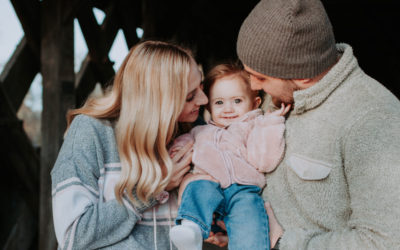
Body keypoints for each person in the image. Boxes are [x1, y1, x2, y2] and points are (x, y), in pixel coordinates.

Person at [236, 0, 400, 249]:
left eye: (261, 77)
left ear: (303, 75)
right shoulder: (279, 94)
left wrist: (282, 243)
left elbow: (385, 241)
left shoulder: (374, 119)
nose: (253, 86)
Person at [50, 40, 209, 250]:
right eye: (190, 96)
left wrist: (221, 225)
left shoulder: (189, 134)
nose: (204, 99)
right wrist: (154, 186)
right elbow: (74, 236)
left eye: (201, 87)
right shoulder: (91, 132)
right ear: (157, 99)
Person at [168, 63, 290, 250]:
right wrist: (176, 151)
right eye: (219, 102)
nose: (228, 109)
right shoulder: (200, 131)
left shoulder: (254, 128)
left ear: (255, 103)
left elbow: (265, 160)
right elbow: (183, 144)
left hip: (243, 190)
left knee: (250, 219)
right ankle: (191, 228)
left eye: (237, 101)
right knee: (196, 186)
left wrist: (272, 125)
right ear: (208, 105)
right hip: (209, 182)